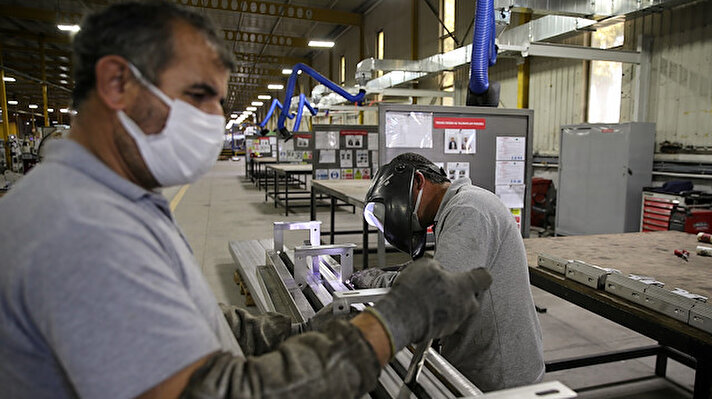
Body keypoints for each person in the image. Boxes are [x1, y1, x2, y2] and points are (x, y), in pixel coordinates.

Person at [0, 3, 493, 399]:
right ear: (115, 84)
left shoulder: (114, 202)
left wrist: (291, 331)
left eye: (218, 100)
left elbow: (180, 320)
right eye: (198, 95)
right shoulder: (77, 227)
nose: (214, 120)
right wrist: (392, 322)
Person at [356, 152, 545, 392]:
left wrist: (380, 281)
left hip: (500, 377)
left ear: (418, 182)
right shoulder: (460, 206)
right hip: (484, 364)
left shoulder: (468, 208)